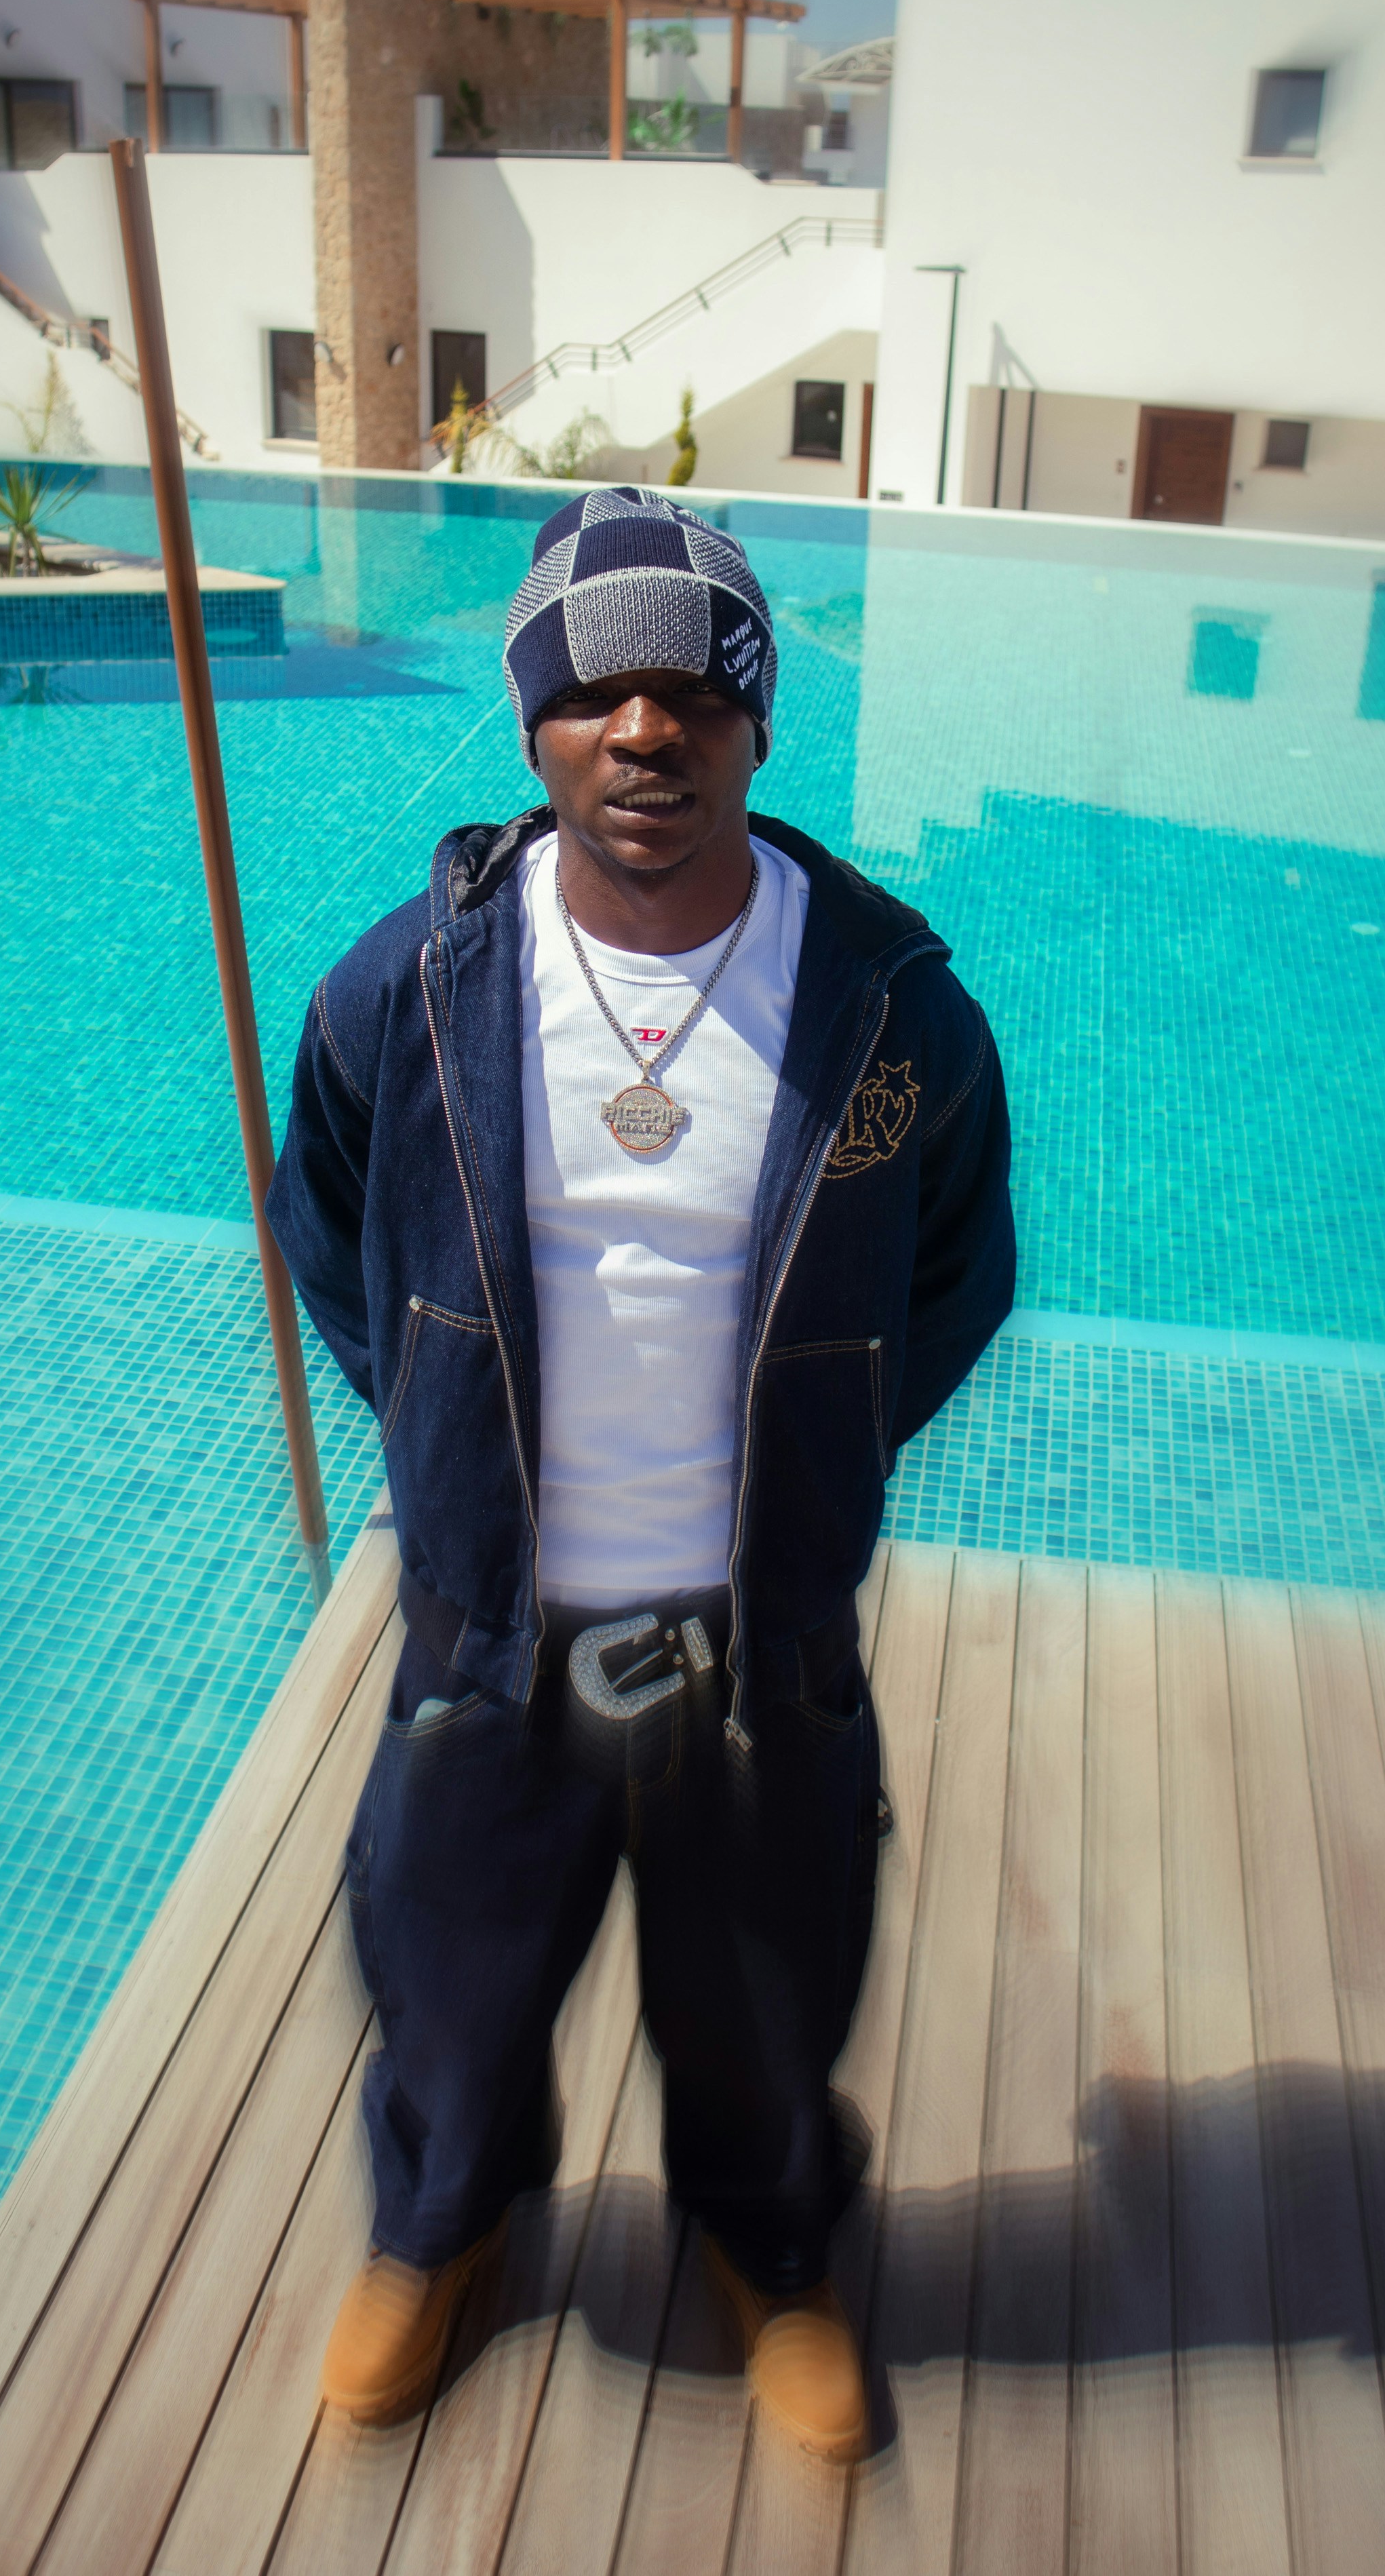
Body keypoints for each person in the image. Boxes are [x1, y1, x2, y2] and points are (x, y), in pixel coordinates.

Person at [267, 485, 1014, 2463]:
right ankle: (444, 2230)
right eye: (595, 694)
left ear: (758, 723)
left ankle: (768, 2252)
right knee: (443, 1957)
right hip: (497, 1614)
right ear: (532, 727)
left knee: (765, 1973)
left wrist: (812, 1472)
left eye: (696, 689)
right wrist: (444, 1446)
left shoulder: (888, 1013)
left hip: (752, 1618)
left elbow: (949, 1275)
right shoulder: (407, 997)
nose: (645, 732)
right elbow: (336, 1234)